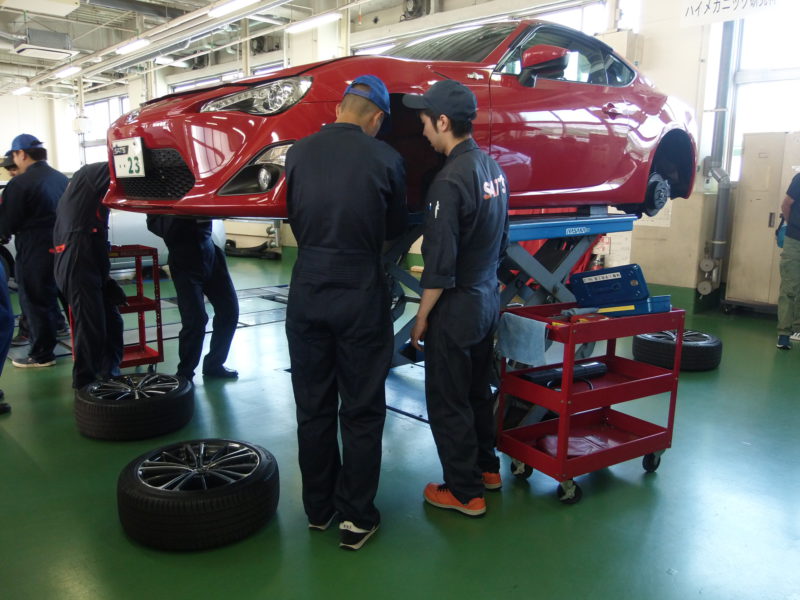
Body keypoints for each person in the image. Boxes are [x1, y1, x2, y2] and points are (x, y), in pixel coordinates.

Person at [284, 74, 407, 551]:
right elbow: (394, 226)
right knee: (360, 408)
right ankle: (356, 517)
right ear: (376, 118)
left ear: (339, 108)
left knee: (313, 405)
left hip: (308, 286)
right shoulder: (386, 158)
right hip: (360, 289)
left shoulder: (297, 153)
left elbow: (294, 215)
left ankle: (318, 509)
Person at [404, 80, 509, 517]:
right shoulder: (493, 169)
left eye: (425, 122)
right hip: (486, 300)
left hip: (457, 305)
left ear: (444, 122)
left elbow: (440, 265)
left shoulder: (448, 181)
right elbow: (502, 240)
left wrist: (421, 317)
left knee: (448, 400)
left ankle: (465, 493)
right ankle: (487, 469)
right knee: (477, 390)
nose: (423, 131)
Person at [53, 162, 125, 388]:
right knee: (91, 326)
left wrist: (107, 278)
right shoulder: (90, 175)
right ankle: (85, 382)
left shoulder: (91, 198)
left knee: (112, 322)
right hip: (77, 261)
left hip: (91, 258)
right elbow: (121, 168)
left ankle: (109, 373)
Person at [0, 134, 68, 368]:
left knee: (37, 301)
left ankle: (42, 355)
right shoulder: (61, 179)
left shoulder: (20, 183)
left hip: (35, 249)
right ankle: (83, 347)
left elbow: (7, 224)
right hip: (65, 247)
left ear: (21, 154)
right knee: (66, 298)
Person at [146, 215, 238, 380]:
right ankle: (185, 373)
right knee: (195, 320)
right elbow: (156, 224)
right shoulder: (164, 200)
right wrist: (186, 215)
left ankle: (214, 365)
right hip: (184, 259)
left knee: (229, 311)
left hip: (210, 253)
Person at [777, 172, 800, 349]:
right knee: (789, 287)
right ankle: (784, 334)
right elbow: (786, 204)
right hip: (795, 241)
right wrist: (793, 225)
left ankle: (798, 329)